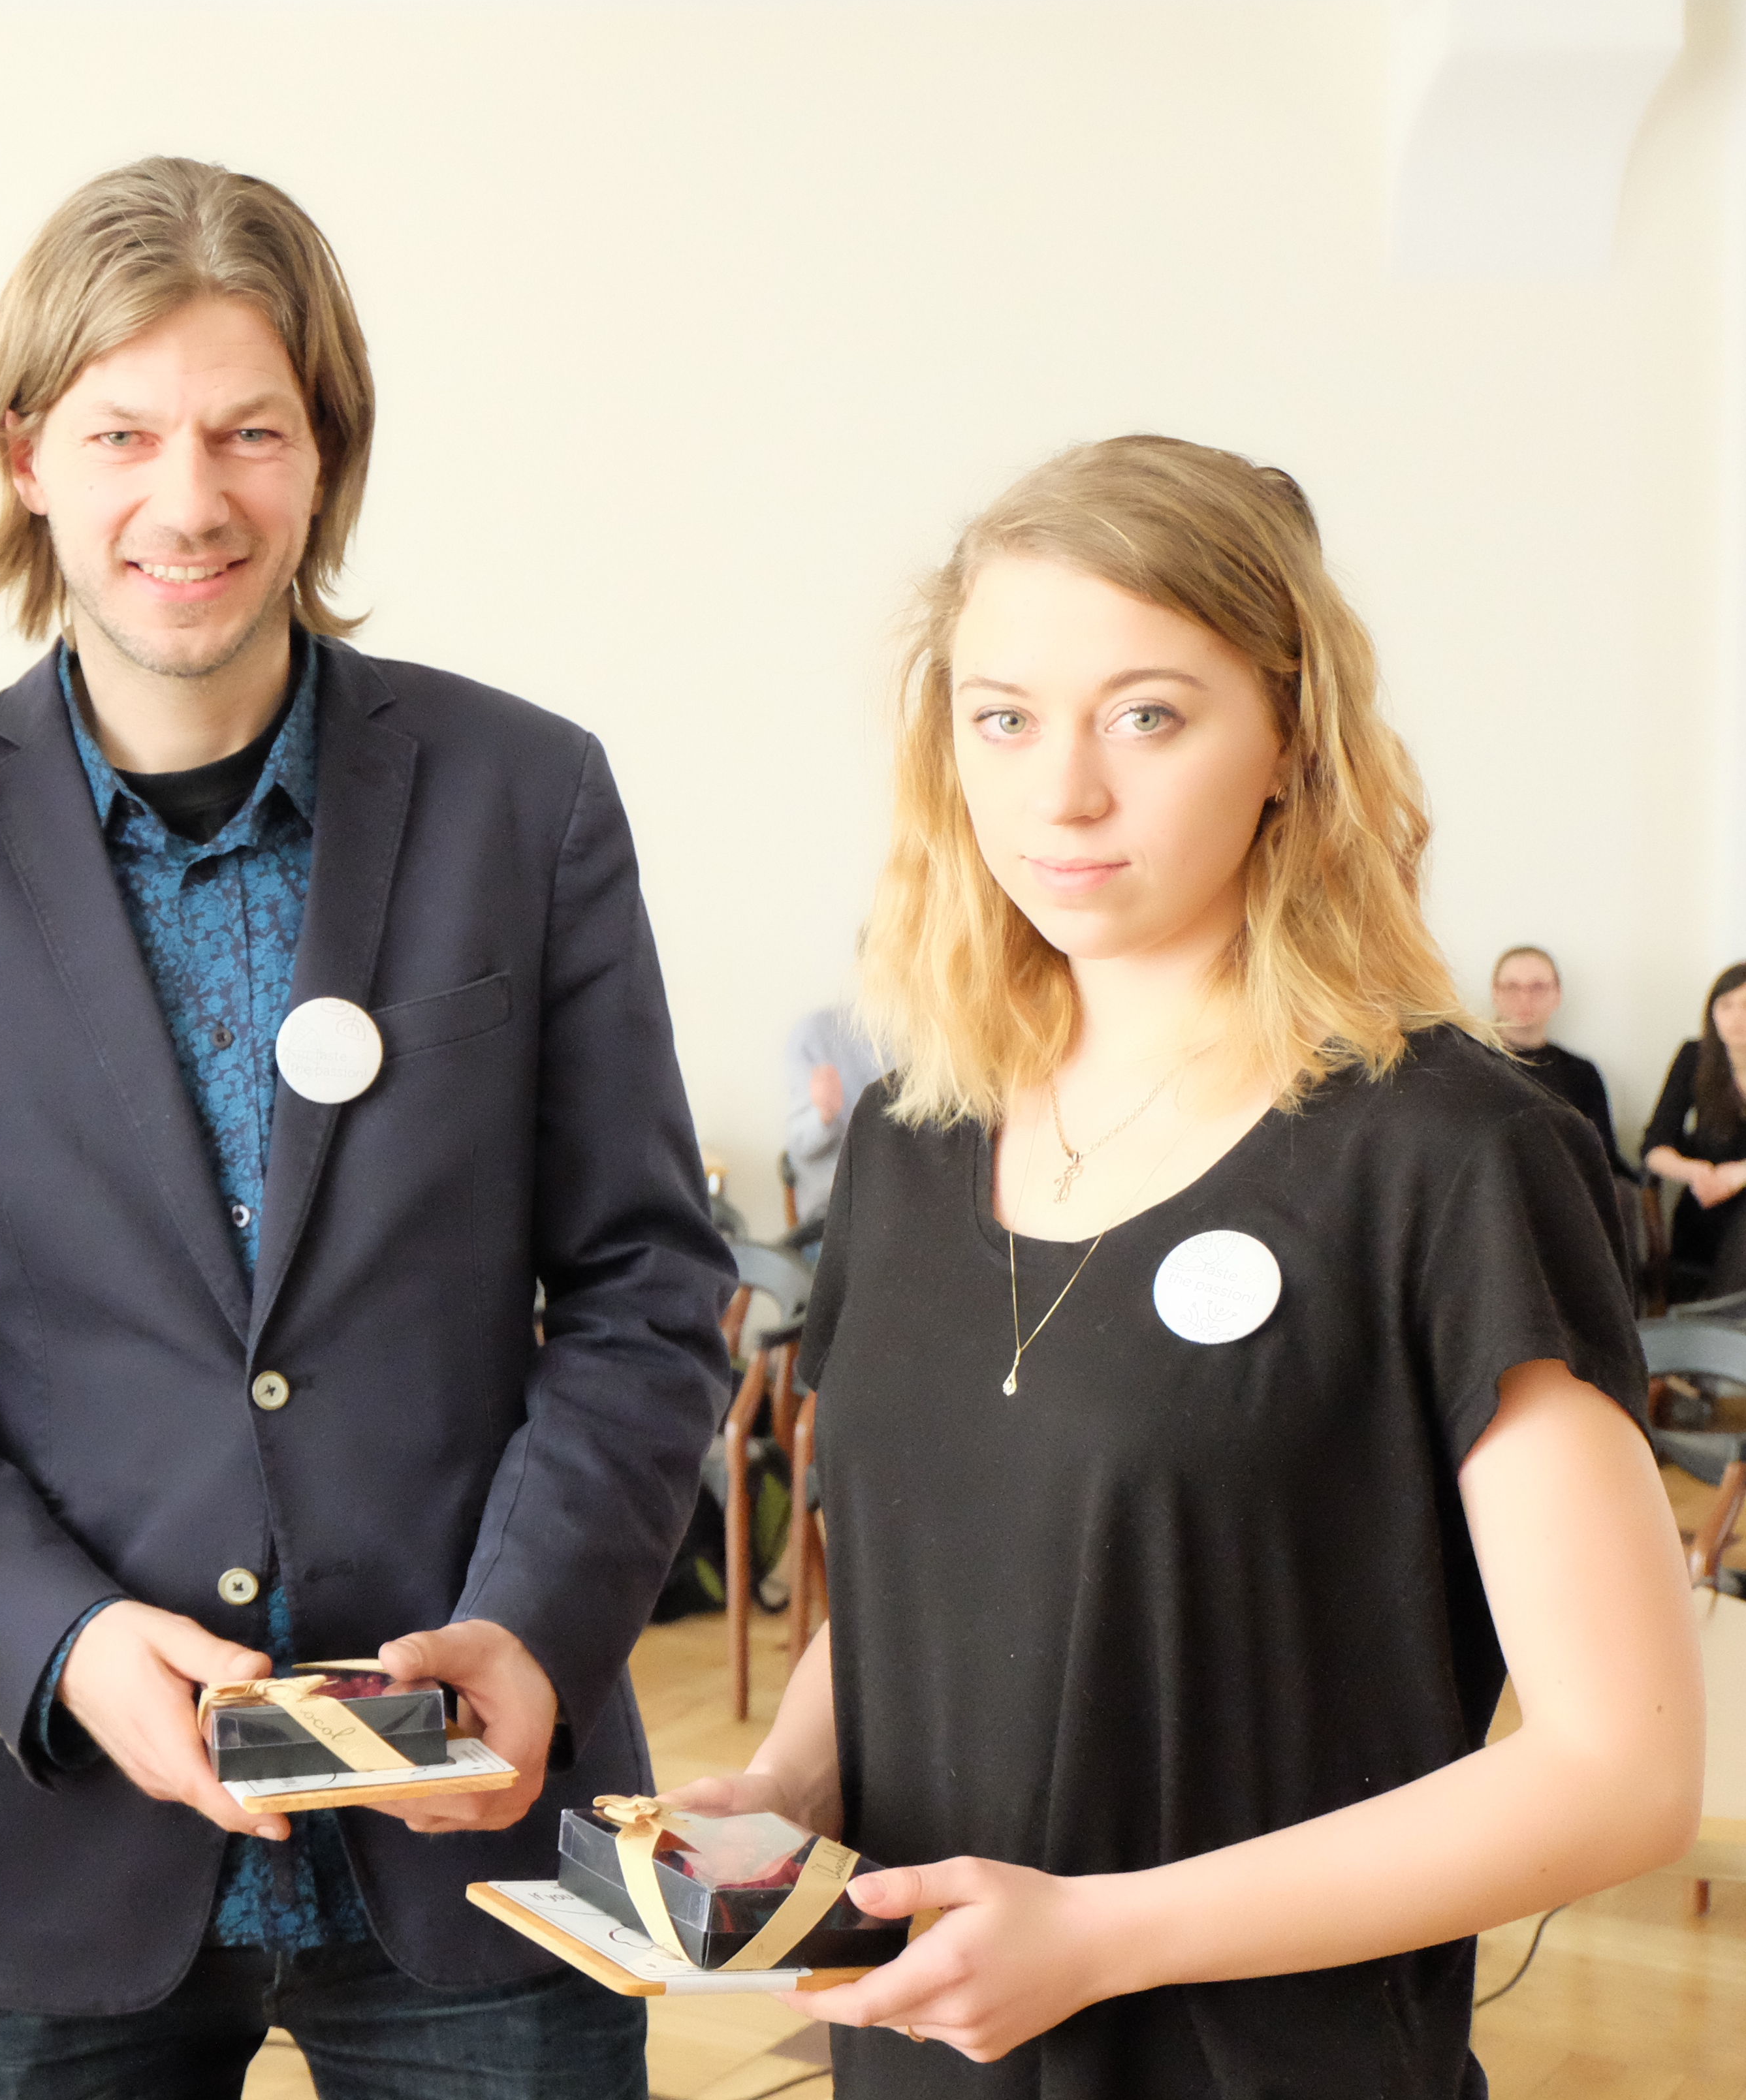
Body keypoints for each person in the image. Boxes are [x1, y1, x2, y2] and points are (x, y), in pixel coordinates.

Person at [0, 156, 734, 2099]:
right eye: (122, 431)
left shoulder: (526, 793)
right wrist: (57, 1642)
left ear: (325, 456)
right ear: (28, 455)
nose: (187, 498)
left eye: (247, 431)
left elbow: (644, 1284)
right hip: (60, 1839)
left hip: (480, 1837)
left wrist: (530, 1632)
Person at [678, 435, 1698, 2093]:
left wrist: (1104, 1934)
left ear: (1290, 738)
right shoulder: (909, 1142)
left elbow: (1619, 1772)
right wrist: (788, 1785)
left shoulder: (1450, 1157)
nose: (1062, 793)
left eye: (1145, 715)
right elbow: (928, 1584)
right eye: (1004, 719)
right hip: (926, 2056)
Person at [1642, 962, 1746, 1301]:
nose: (1737, 1017)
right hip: (1708, 1207)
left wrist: (1740, 1175)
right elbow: (1654, 1147)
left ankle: (1719, 1318)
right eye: (1726, 1005)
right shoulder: (1694, 1057)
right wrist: (1695, 1172)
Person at [1488, 945, 1625, 1177]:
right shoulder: (1470, 1065)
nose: (1524, 998)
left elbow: (1603, 1156)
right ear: (1495, 993)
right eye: (1512, 987)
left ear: (1557, 995)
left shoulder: (1581, 1073)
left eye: (1538, 987)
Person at [784, 993, 885, 1230]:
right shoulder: (817, 1033)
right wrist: (825, 1115)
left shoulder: (934, 1034)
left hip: (911, 1211)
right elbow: (799, 1143)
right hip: (835, 1216)